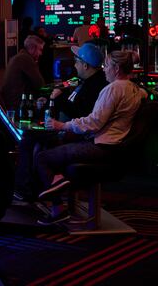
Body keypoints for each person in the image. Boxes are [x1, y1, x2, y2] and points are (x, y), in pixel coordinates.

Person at [36, 51, 147, 222]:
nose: (104, 70)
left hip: (102, 147)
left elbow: (94, 122)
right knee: (55, 152)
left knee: (43, 157)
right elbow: (144, 94)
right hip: (114, 147)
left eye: (107, 66)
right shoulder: (135, 89)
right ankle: (58, 185)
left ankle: (58, 208)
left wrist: (63, 125)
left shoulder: (113, 88)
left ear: (117, 68)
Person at [14, 44, 107, 201]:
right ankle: (33, 189)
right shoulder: (82, 80)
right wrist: (50, 100)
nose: (74, 65)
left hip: (76, 133)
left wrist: (59, 99)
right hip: (66, 127)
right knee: (31, 137)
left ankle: (27, 190)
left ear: (85, 65)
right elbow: (65, 94)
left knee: (29, 139)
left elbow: (82, 114)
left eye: (77, 61)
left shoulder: (95, 86)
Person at [1, 35, 46, 111]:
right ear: (32, 48)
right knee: (52, 101)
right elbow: (41, 85)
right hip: (18, 105)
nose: (41, 53)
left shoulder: (19, 56)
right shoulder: (26, 59)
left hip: (10, 103)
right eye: (40, 50)